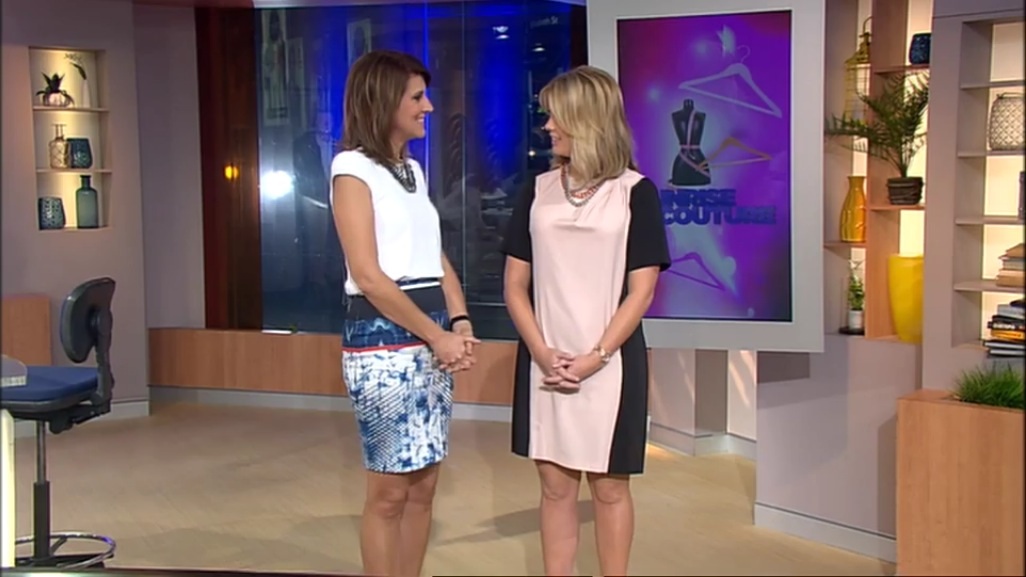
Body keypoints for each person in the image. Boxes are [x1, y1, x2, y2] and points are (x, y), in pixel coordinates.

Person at [501, 65, 671, 577]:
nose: (547, 125)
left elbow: (642, 292)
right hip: (546, 361)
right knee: (555, 488)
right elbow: (514, 285)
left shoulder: (635, 192)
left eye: (556, 116)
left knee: (610, 488)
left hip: (611, 361)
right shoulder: (537, 190)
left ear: (587, 119)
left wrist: (596, 357)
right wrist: (541, 351)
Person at [330, 50, 479, 577]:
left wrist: (459, 321)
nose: (429, 107)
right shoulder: (352, 170)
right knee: (390, 491)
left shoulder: (412, 170)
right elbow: (369, 275)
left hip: (430, 337)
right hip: (383, 344)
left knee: (424, 487)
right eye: (417, 97)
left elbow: (433, 256)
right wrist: (437, 336)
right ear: (384, 101)